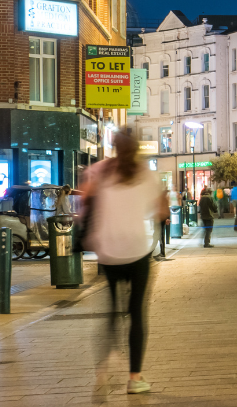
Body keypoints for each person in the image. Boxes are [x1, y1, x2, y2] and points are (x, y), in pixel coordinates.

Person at [81, 129, 169, 396]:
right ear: (137, 149)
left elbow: (84, 204)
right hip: (137, 251)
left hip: (108, 252)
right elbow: (161, 212)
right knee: (137, 313)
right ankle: (135, 378)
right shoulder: (147, 175)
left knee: (110, 312)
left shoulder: (98, 172)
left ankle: (102, 373)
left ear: (114, 147)